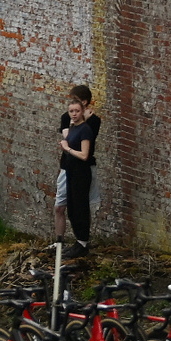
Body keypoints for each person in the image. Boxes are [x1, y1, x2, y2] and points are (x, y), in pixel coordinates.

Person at [58, 92, 98, 258]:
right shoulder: (73, 128)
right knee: (72, 208)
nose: (73, 114)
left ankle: (83, 243)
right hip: (71, 172)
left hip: (81, 173)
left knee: (80, 207)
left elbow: (84, 155)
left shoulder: (85, 130)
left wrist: (67, 149)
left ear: (83, 111)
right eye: (71, 112)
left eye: (76, 111)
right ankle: (78, 241)